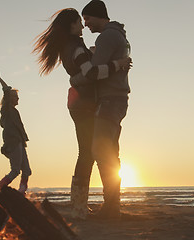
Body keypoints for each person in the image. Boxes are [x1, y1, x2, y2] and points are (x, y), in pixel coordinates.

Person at [33, 8, 131, 218]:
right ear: (71, 26)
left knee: (87, 153)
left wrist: (92, 54)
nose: (83, 26)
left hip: (79, 104)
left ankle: (79, 206)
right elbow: (92, 73)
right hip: (84, 105)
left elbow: (83, 68)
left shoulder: (71, 47)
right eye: (79, 21)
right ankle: (78, 207)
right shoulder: (76, 47)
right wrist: (118, 64)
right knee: (87, 154)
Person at [80, 0, 132, 219]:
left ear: (99, 16)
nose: (86, 25)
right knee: (110, 152)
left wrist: (90, 56)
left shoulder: (107, 36)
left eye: (88, 19)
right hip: (116, 99)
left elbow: (93, 71)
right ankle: (112, 206)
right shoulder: (117, 36)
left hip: (110, 99)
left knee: (101, 151)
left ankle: (111, 207)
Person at [0, 71, 32, 195]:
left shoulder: (14, 111)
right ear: (10, 99)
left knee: (26, 170)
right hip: (13, 143)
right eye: (16, 97)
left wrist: (24, 142)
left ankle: (21, 192)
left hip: (19, 143)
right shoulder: (7, 110)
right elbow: (6, 90)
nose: (18, 99)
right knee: (15, 171)